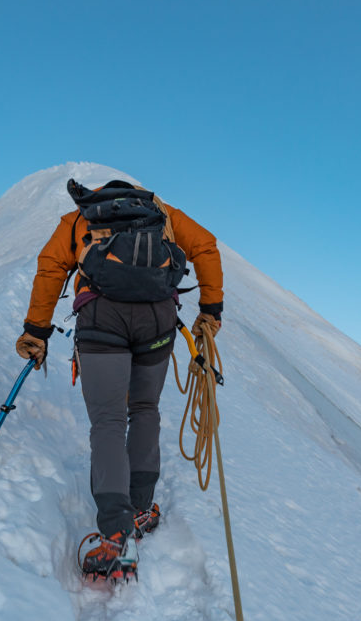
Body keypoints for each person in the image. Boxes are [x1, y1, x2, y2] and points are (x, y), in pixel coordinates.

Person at [16, 178, 223, 580]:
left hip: (101, 317)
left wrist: (35, 331)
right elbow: (207, 246)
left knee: (108, 420)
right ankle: (141, 507)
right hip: (158, 318)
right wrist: (210, 309)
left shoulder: (79, 220)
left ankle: (115, 531)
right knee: (145, 409)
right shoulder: (163, 215)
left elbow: (50, 267)